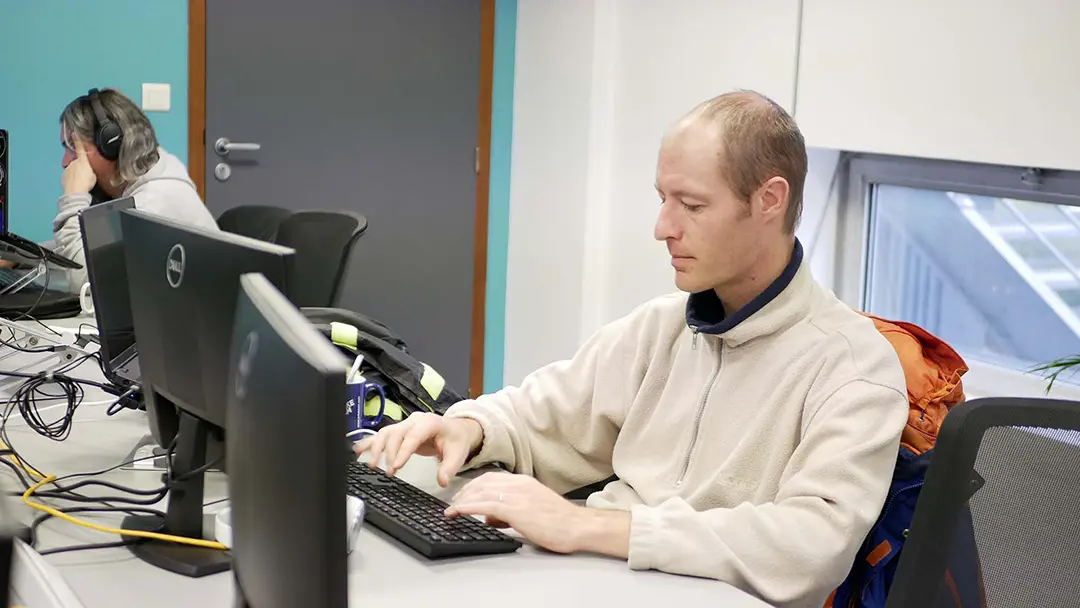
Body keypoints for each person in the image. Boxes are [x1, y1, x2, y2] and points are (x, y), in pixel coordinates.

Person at [355, 91, 908, 608]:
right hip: (604, 579)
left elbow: (810, 545)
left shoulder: (854, 368)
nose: (662, 227)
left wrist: (588, 527)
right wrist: (469, 428)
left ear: (770, 199)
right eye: (663, 199)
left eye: (691, 205)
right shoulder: (661, 328)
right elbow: (544, 414)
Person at [50, 87, 218, 289]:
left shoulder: (154, 204)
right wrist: (25, 256)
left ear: (109, 143)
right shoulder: (146, 175)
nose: (65, 161)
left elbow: (88, 284)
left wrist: (74, 197)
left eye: (71, 147)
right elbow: (96, 245)